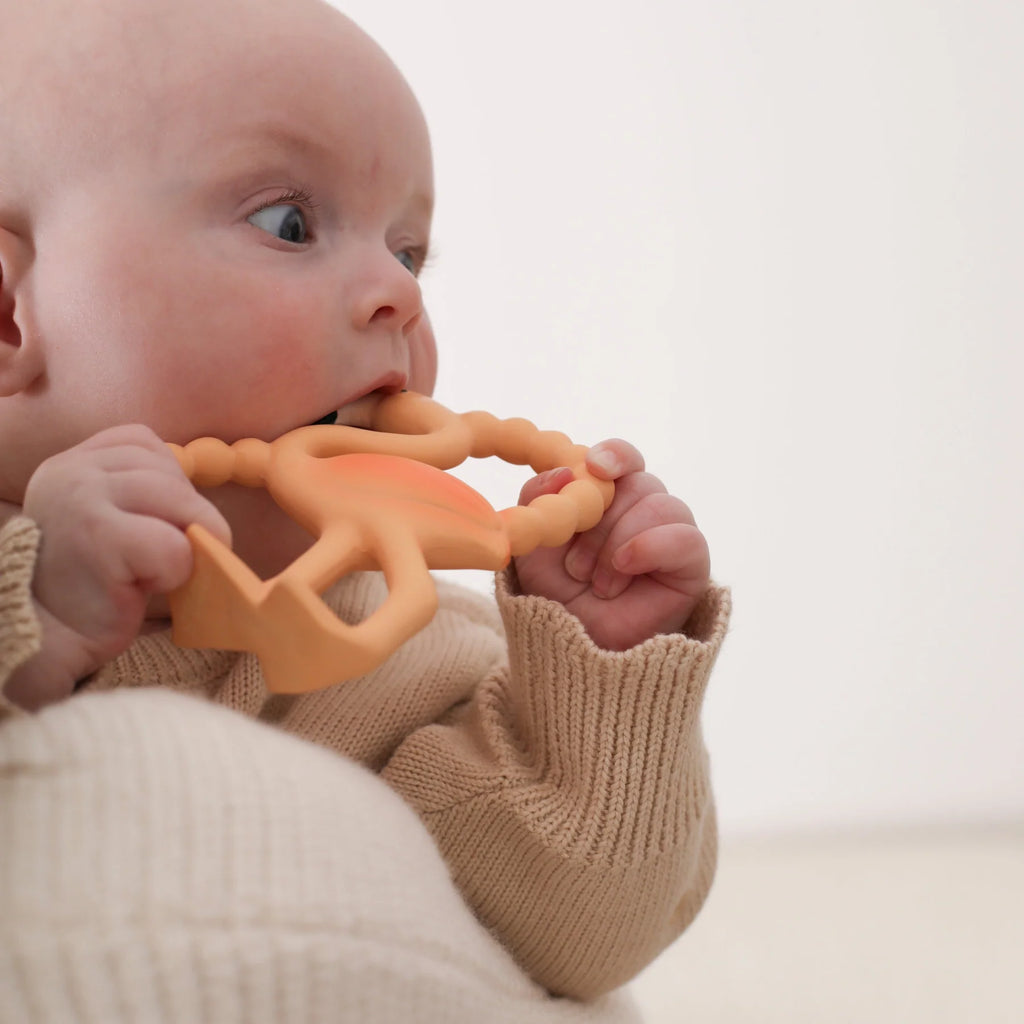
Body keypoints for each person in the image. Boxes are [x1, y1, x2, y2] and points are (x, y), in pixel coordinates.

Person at [0, 0, 730, 1006]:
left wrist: (594, 681)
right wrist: (36, 618)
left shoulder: (414, 652)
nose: (399, 290)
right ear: (7, 315)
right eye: (290, 222)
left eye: (409, 250)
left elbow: (578, 942)